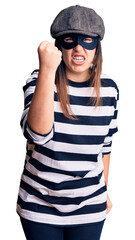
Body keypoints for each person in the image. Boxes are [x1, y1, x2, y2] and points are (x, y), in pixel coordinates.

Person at [16, 4, 119, 240]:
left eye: (87, 40)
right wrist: (47, 69)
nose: (79, 48)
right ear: (59, 45)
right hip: (39, 205)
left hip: (89, 206)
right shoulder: (38, 80)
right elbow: (38, 134)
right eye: (70, 40)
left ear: (97, 46)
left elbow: (105, 146)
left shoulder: (110, 90)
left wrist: (104, 190)